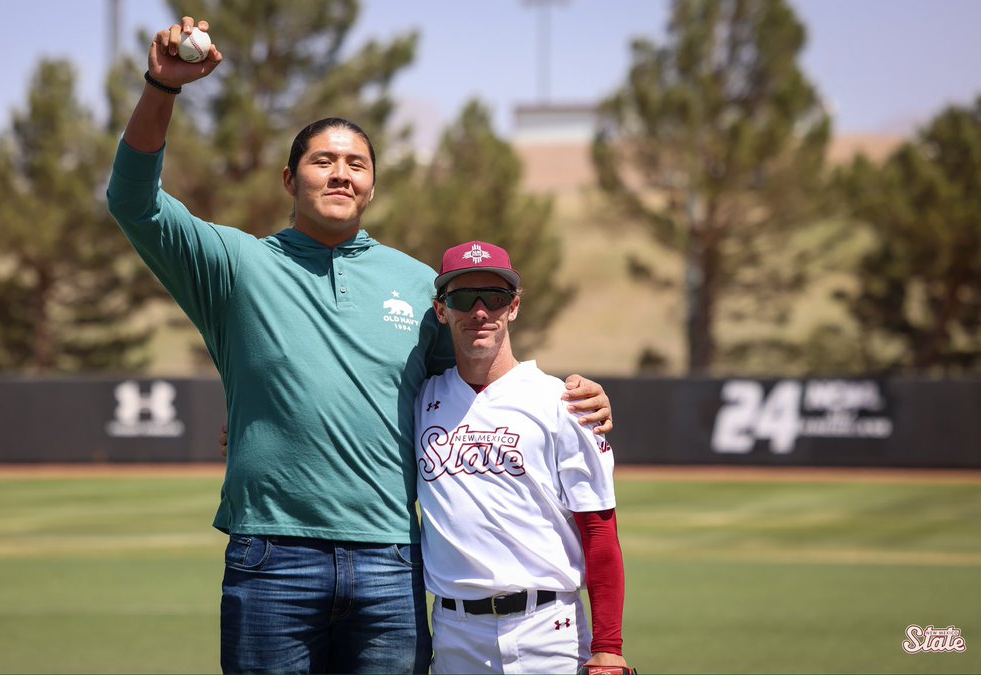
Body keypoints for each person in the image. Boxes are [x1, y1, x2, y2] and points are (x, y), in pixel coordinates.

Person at [107, 16, 615, 675]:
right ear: (290, 180)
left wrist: (576, 394)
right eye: (322, 161)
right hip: (272, 556)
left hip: (391, 561)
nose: (340, 173)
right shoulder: (235, 265)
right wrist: (162, 87)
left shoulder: (418, 282)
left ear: (372, 185)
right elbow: (132, 201)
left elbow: (479, 381)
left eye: (356, 164)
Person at [416, 241, 631, 675]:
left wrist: (608, 645)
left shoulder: (566, 402)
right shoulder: (421, 398)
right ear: (442, 311)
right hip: (455, 634)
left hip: (549, 631)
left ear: (513, 307)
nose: (480, 311)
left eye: (494, 298)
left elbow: (599, 530)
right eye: (462, 298)